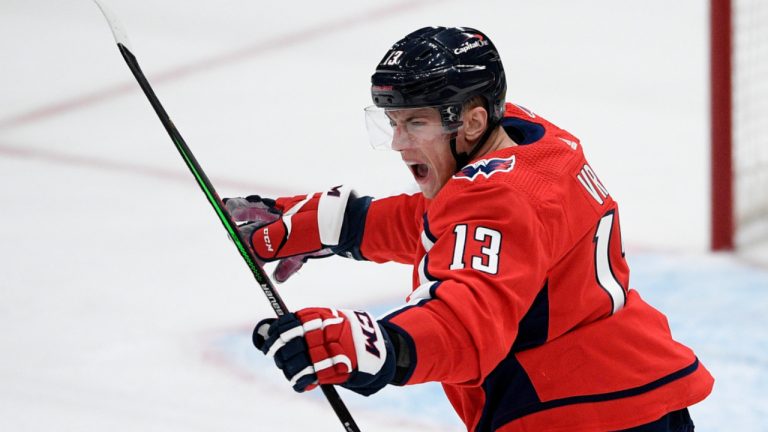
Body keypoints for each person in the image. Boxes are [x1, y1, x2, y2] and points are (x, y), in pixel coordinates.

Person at [224, 26, 713, 431]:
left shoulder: (499, 200)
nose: (398, 143)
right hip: (640, 387)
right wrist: (342, 224)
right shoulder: (533, 143)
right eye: (392, 122)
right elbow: (456, 223)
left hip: (573, 412)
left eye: (415, 123)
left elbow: (468, 324)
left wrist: (379, 346)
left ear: (474, 121)